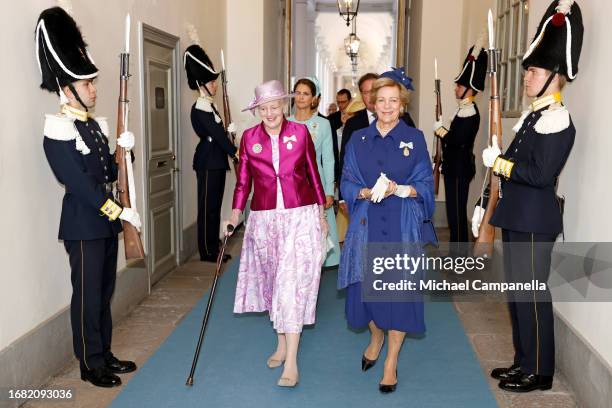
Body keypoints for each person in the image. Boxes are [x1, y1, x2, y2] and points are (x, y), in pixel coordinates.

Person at [478, 0, 583, 393]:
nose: (525, 77)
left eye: (533, 71)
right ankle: (523, 360)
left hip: (536, 218)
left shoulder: (557, 118)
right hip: (517, 213)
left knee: (532, 294)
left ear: (554, 76)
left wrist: (500, 165)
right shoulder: (533, 116)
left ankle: (540, 371)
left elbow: (539, 175)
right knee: (517, 293)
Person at [36, 6, 140, 387]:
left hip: (105, 222)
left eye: (94, 83)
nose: (94, 89)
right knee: (86, 296)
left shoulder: (94, 127)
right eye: (87, 84)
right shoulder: (58, 128)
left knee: (104, 293)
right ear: (68, 88)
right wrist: (120, 212)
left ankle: (104, 352)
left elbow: (109, 174)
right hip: (83, 223)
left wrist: (122, 152)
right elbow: (80, 185)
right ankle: (89, 363)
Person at [225, 80, 328, 387]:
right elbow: (243, 182)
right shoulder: (249, 138)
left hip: (300, 215)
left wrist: (321, 213)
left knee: (292, 285)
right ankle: (281, 344)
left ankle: (292, 361)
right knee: (273, 283)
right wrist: (234, 214)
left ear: (284, 106)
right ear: (257, 110)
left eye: (274, 107)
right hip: (265, 219)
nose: (270, 114)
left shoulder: (299, 134)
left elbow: (313, 172)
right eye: (263, 108)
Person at [338, 73, 435, 394]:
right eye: (381, 100)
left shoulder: (416, 138)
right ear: (372, 103)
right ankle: (376, 336)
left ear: (402, 103)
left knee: (398, 295)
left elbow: (425, 184)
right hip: (366, 225)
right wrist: (362, 192)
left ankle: (391, 360)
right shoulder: (358, 139)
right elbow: (347, 181)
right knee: (365, 290)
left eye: (393, 100)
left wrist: (400, 188)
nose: (387, 106)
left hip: (400, 225)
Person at [184, 39, 238, 263]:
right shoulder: (201, 107)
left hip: (215, 161)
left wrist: (229, 131)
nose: (215, 85)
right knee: (207, 208)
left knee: (214, 207)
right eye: (211, 82)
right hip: (208, 161)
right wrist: (234, 150)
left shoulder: (210, 105)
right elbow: (216, 136)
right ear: (201, 84)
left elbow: (219, 133)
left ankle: (214, 247)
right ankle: (206, 251)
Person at [434, 33, 487, 250]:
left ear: (469, 88)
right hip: (453, 166)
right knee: (453, 214)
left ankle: (460, 254)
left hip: (460, 167)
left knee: (457, 213)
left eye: (459, 85)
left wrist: (442, 132)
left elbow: (458, 140)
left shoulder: (470, 111)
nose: (456, 88)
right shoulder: (462, 109)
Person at [338, 72, 416, 208]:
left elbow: (413, 157)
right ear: (361, 95)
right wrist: (343, 197)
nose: (370, 96)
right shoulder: (353, 124)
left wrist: (401, 189)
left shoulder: (404, 120)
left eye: (373, 90)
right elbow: (345, 160)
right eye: (366, 92)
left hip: (398, 196)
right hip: (363, 196)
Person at [288, 78, 340, 267]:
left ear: (314, 99)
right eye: (298, 93)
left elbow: (328, 159)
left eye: (306, 93)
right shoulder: (285, 123)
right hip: (291, 185)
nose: (301, 97)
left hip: (315, 184)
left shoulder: (323, 124)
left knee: (316, 229)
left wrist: (328, 191)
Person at [328, 88, 352, 183]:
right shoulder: (331, 119)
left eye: (343, 102)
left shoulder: (357, 117)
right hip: (336, 162)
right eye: (339, 102)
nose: (341, 105)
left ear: (350, 101)